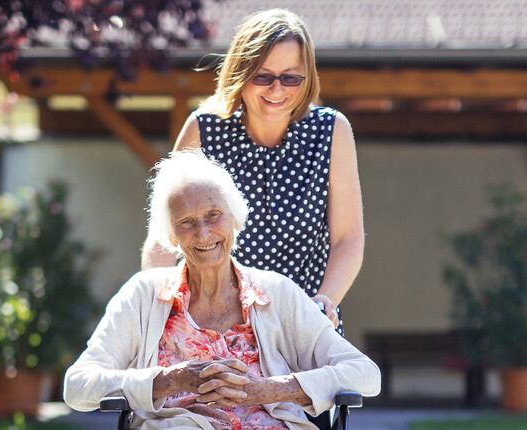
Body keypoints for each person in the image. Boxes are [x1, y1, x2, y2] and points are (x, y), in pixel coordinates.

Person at [65, 150, 379, 429]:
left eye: (213, 215)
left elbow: (365, 374)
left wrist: (270, 389)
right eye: (186, 222)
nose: (203, 233)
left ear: (235, 219)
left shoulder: (278, 294)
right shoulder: (143, 295)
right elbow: (78, 385)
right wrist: (169, 380)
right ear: (172, 237)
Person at [141, 8, 364, 335]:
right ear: (240, 74)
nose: (277, 90)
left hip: (303, 326)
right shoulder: (204, 130)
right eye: (263, 76)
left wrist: (323, 304)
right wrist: (157, 313)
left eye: (290, 77)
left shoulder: (331, 131)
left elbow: (348, 239)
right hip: (215, 331)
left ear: (307, 78)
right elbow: (164, 240)